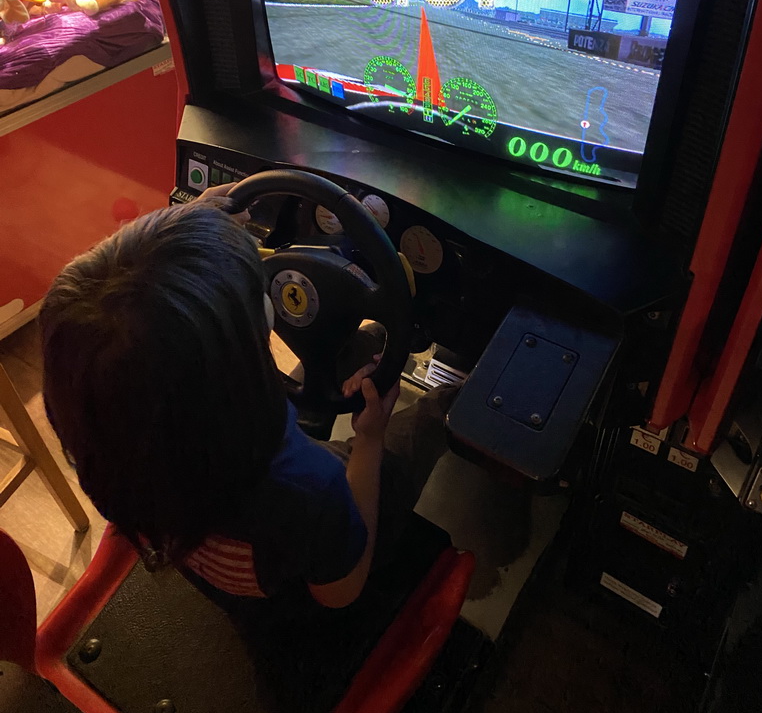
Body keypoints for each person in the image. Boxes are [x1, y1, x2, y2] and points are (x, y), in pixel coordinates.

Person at [39, 185, 454, 610]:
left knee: (361, 341)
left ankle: (370, 349)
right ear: (234, 380)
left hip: (221, 543)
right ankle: (450, 401)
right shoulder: (312, 488)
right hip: (311, 566)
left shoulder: (112, 447)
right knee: (427, 421)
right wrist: (368, 441)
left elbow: (135, 297)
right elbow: (340, 592)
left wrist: (195, 225)